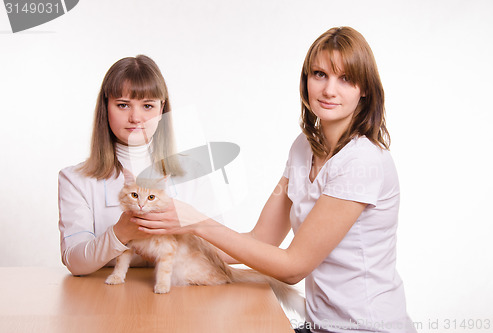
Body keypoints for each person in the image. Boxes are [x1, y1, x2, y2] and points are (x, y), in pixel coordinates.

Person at [128, 27, 417, 333]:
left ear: (365, 89)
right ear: (306, 80)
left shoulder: (362, 162)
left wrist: (196, 222)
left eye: (345, 78)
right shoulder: (304, 147)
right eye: (319, 74)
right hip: (322, 327)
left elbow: (293, 267)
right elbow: (262, 239)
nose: (329, 89)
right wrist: (176, 248)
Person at [58, 55, 215, 275]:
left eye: (147, 106)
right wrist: (120, 233)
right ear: (106, 107)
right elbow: (75, 262)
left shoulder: (193, 172)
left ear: (161, 110)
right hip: (102, 298)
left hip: (180, 296)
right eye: (123, 105)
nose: (136, 117)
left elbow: (217, 250)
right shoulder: (75, 179)